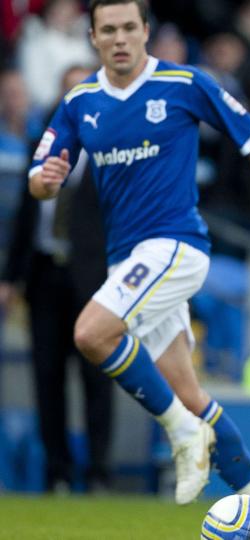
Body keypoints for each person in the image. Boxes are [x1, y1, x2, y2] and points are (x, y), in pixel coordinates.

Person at [26, 0, 250, 514]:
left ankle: (180, 432)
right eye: (108, 29)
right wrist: (43, 184)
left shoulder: (184, 84)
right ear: (93, 37)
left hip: (176, 246)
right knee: (190, 392)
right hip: (126, 262)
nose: (120, 38)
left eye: (129, 27)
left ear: (146, 31)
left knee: (91, 334)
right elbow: (40, 176)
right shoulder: (79, 101)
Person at [1, 65, 114, 493]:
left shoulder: (113, 153)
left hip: (96, 281)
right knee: (47, 378)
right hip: (44, 275)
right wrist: (10, 278)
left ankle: (99, 473)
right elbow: (24, 222)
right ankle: (57, 473)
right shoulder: (41, 148)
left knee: (96, 379)